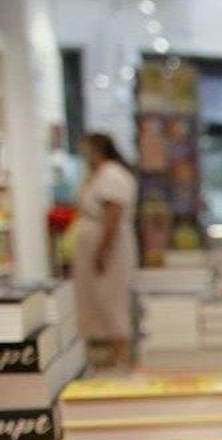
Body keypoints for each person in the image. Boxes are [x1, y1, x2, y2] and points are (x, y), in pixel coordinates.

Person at [73, 133, 139, 370]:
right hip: (93, 238)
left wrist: (103, 250)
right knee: (97, 297)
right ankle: (110, 351)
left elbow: (113, 215)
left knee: (112, 296)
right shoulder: (96, 175)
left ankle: (120, 353)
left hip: (108, 243)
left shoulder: (112, 174)